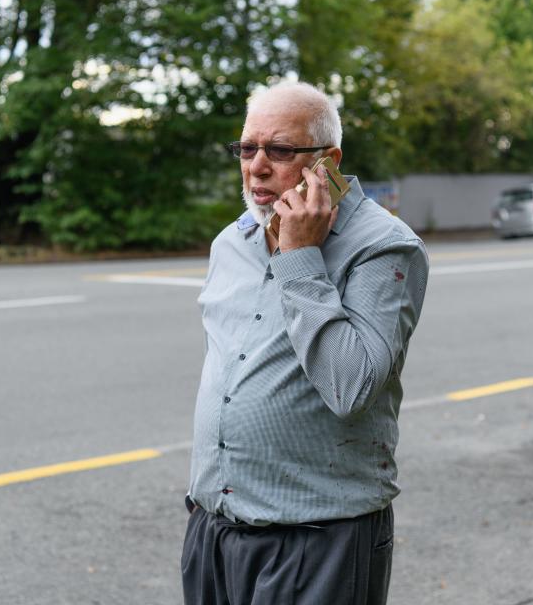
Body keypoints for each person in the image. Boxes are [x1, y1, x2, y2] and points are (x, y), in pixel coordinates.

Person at [182, 82, 430, 605]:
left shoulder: (385, 246)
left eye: (279, 150)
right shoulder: (233, 241)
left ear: (328, 160)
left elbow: (350, 387)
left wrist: (299, 257)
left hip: (319, 537)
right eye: (247, 149)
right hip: (215, 527)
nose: (257, 166)